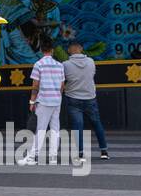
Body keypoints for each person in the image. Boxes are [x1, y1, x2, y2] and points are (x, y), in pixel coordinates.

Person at [62, 40, 109, 161]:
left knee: (78, 126)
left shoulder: (65, 64)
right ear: (81, 49)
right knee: (97, 124)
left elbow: (64, 80)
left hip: (73, 98)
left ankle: (81, 154)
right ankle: (104, 151)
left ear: (69, 50)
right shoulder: (91, 61)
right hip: (90, 98)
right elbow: (91, 75)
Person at [20, 37, 62, 166]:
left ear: (41, 50)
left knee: (41, 129)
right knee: (55, 129)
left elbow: (35, 85)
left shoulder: (38, 64)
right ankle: (53, 157)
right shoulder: (60, 66)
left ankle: (32, 157)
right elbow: (62, 86)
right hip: (56, 100)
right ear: (52, 50)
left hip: (44, 101)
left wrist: (32, 102)